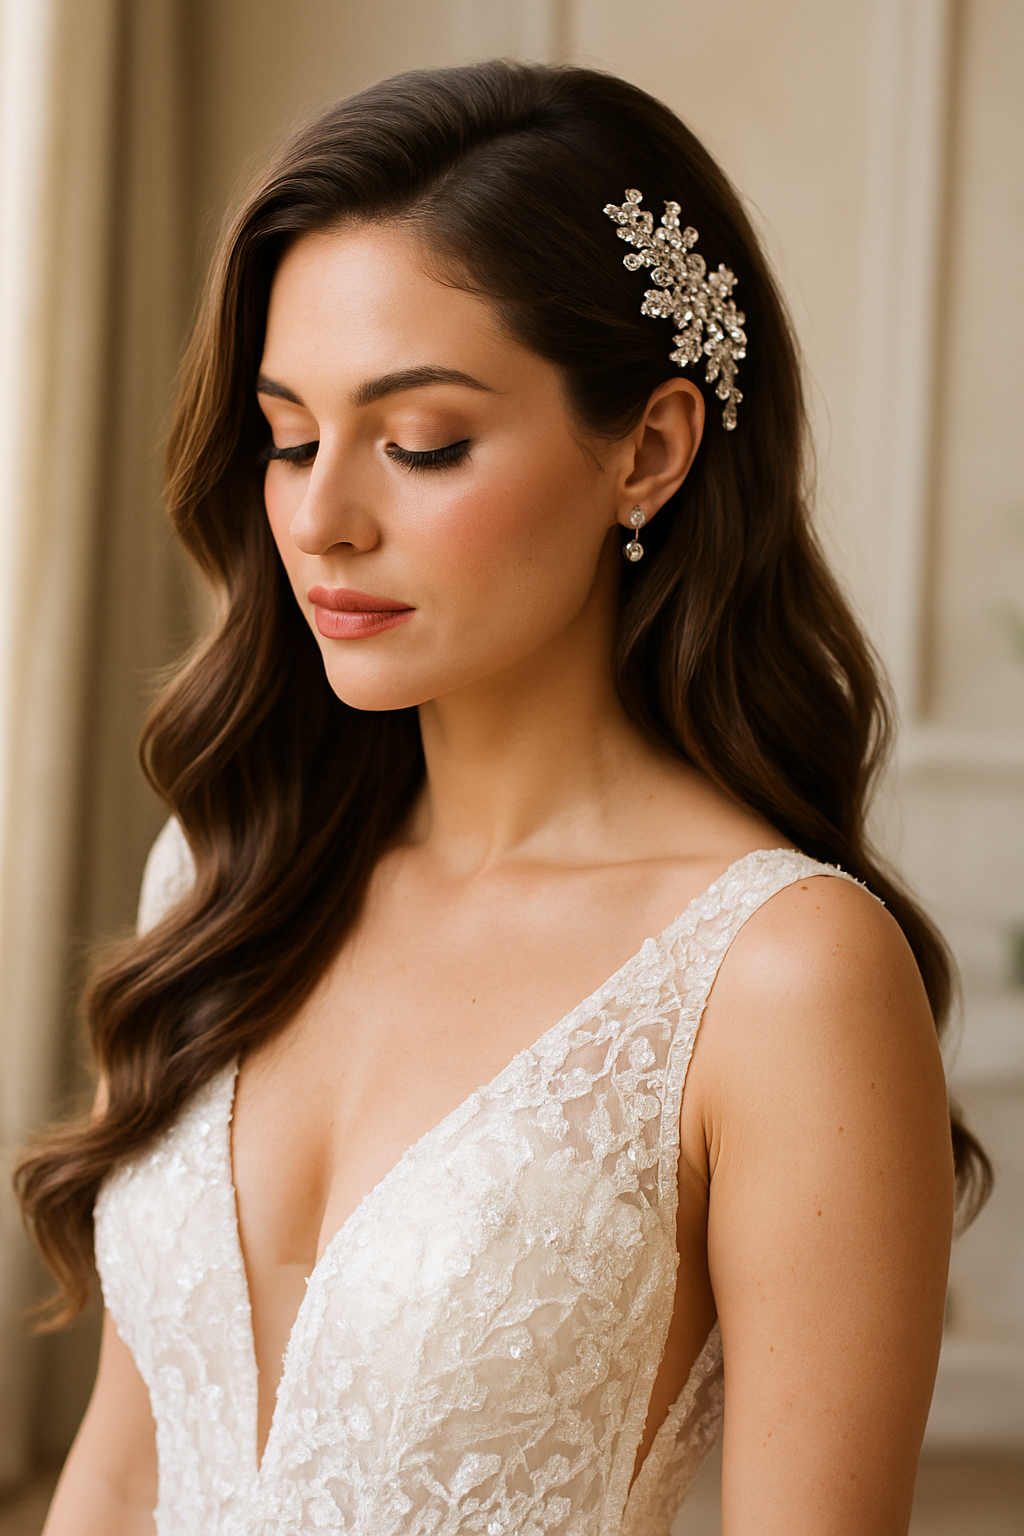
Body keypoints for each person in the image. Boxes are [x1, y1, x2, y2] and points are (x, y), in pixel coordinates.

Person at [16, 60, 988, 1536]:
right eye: (288, 437)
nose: (323, 518)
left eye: (422, 445)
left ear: (648, 451)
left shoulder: (780, 978)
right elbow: (125, 1471)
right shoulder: (229, 868)